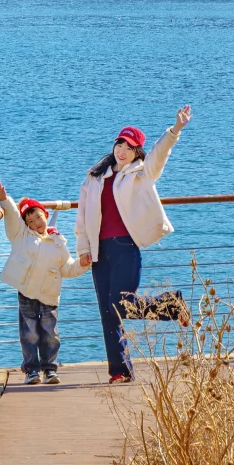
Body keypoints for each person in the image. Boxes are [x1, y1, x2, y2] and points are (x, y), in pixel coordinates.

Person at [76, 105, 192, 384]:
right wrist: (83, 248)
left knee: (120, 302)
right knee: (107, 311)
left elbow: (159, 154)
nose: (122, 150)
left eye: (129, 146)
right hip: (98, 252)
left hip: (126, 247)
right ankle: (120, 370)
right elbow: (82, 214)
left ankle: (172, 305)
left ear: (137, 151)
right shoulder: (94, 177)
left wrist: (175, 130)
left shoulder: (142, 172)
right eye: (120, 144)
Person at [0, 184, 89, 384]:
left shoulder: (59, 242)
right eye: (30, 220)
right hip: (27, 292)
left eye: (38, 217)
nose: (36, 222)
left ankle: (50, 369)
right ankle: (31, 371)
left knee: (50, 334)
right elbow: (12, 217)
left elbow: (68, 268)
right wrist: (5, 199)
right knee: (30, 334)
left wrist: (84, 263)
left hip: (49, 295)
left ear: (45, 214)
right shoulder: (21, 236)